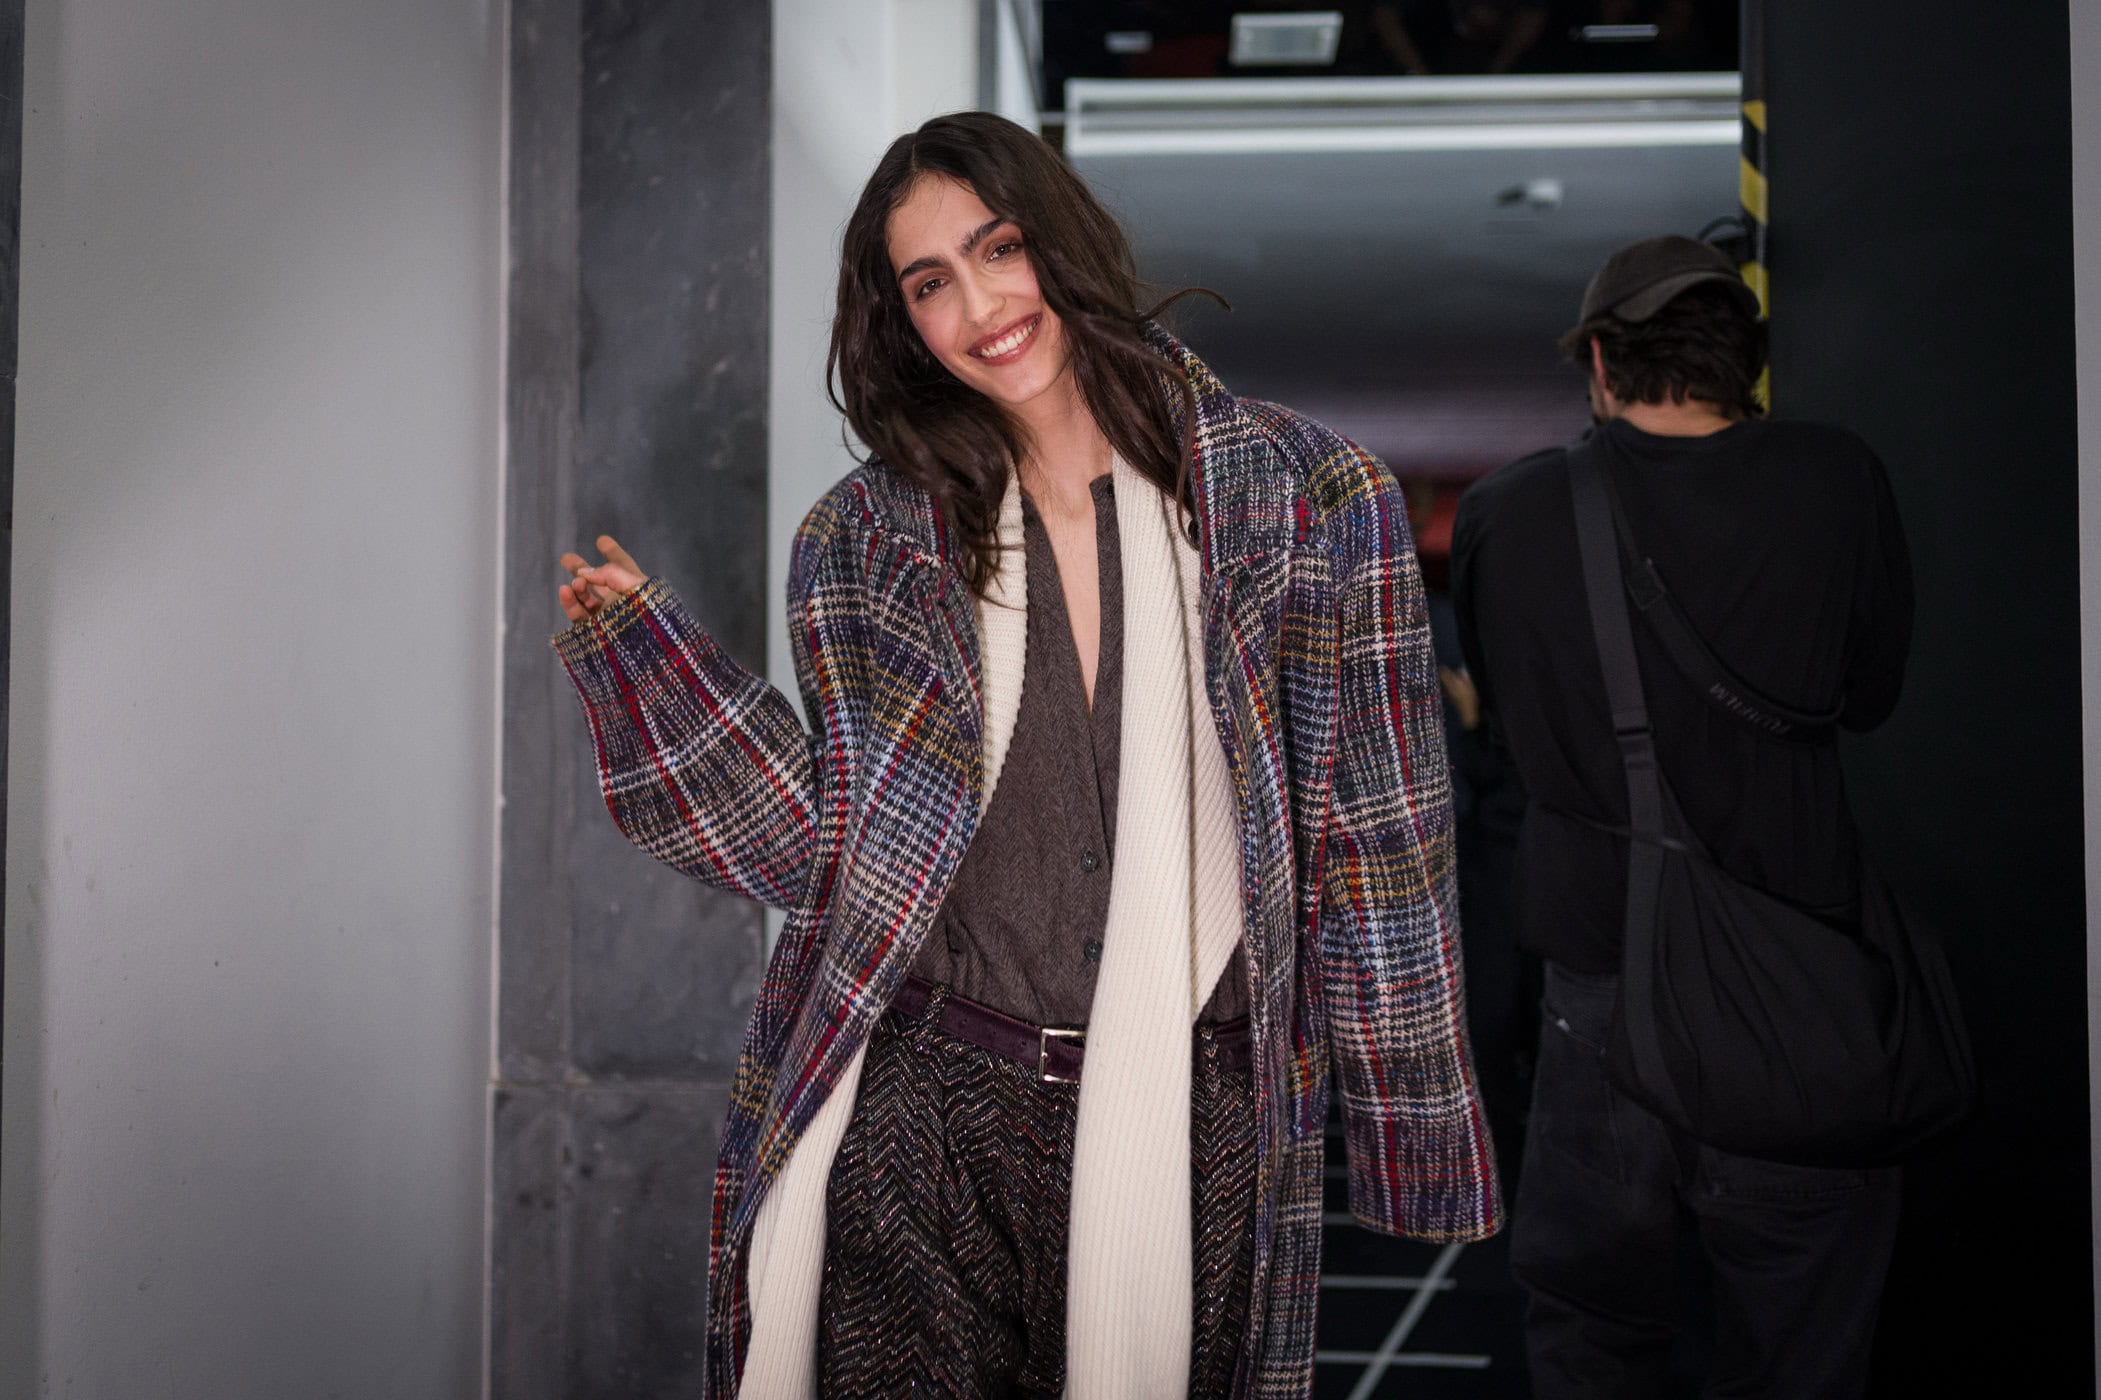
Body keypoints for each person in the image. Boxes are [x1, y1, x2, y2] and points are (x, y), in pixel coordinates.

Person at [551, 112, 1500, 1399]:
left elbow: (1382, 833)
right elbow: (837, 853)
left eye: (999, 249)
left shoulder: (1307, 495)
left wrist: (1410, 1118)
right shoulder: (869, 536)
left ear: (1061, 239)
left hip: (1195, 1114)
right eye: (929, 282)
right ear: (902, 321)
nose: (981, 306)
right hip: (927, 1106)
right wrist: (661, 681)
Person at [1451, 235, 1913, 1397]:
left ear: (1602, 362)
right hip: (1794, 984)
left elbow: (1506, 727)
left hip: (1601, 993)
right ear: (1744, 361)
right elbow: (1871, 696)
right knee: (1802, 1343)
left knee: (1594, 1332)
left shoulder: (1511, 510)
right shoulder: (1838, 480)